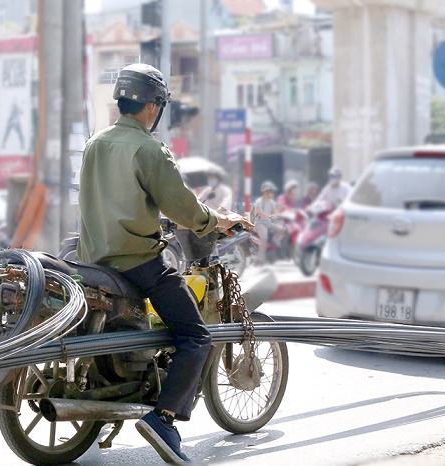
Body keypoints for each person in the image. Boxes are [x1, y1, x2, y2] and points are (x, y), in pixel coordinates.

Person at [77, 63, 253, 463]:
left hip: (91, 263)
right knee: (196, 336)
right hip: (138, 262)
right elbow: (184, 207)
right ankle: (165, 417)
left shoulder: (95, 142)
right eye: (159, 104)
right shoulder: (149, 148)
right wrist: (219, 220)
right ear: (153, 106)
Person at [253, 181, 283, 265]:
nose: (273, 193)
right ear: (266, 192)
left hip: (268, 224)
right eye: (271, 192)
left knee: (282, 230)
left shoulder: (272, 202)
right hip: (259, 224)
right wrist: (269, 216)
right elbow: (260, 212)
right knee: (264, 238)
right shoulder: (259, 201)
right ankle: (261, 259)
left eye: (273, 192)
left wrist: (280, 208)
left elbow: (274, 213)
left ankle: (277, 246)